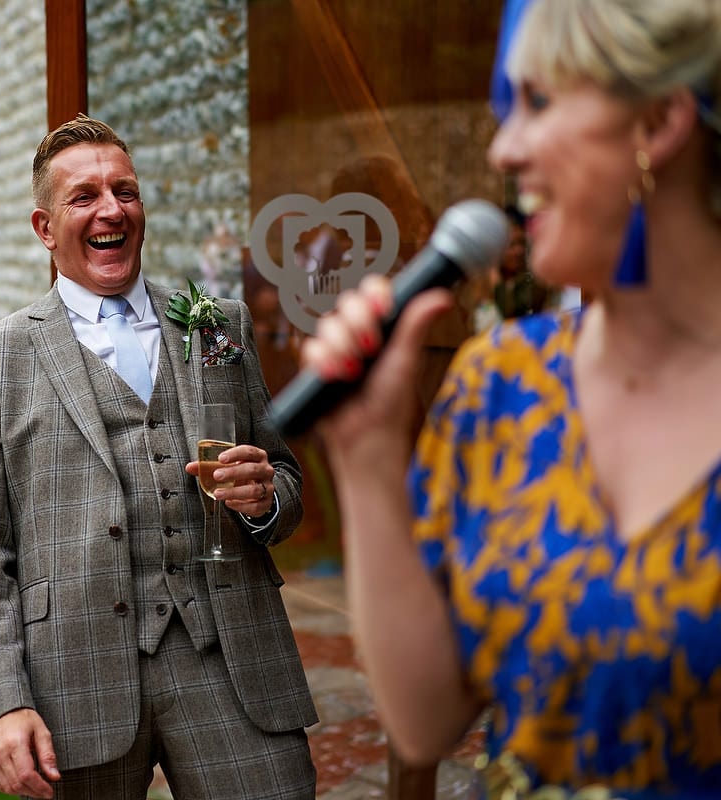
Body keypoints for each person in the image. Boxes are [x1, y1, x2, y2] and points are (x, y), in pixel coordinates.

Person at [300, 0, 721, 796]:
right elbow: (425, 719)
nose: (504, 149)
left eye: (537, 104)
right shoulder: (501, 382)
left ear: (659, 120)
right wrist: (365, 459)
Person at [0, 114, 317, 799]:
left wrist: (266, 499)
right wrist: (2, 700)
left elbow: (286, 478)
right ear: (43, 227)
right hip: (73, 680)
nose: (110, 209)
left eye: (125, 190)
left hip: (231, 662)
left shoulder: (216, 324)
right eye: (83, 197)